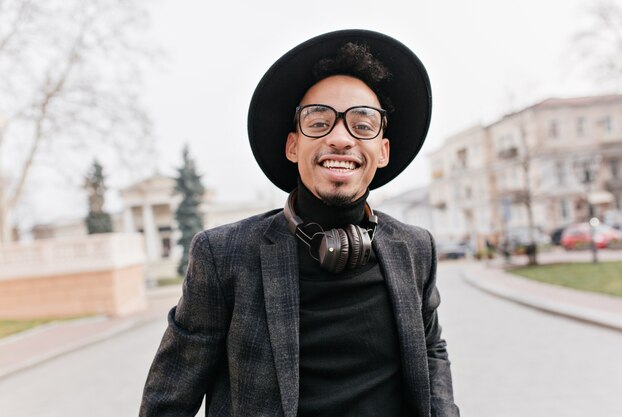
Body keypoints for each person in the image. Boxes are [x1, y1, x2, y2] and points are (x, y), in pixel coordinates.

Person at [140, 29, 459, 417]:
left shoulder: (415, 249)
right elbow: (167, 404)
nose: (341, 138)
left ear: (383, 151)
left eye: (362, 125)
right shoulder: (222, 256)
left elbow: (431, 354)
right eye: (319, 121)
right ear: (293, 145)